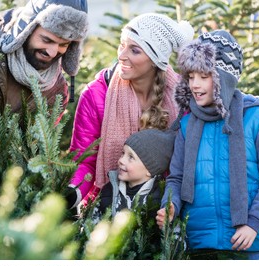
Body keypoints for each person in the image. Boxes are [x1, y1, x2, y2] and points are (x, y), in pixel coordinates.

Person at [156, 30, 259, 260]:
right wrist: (170, 205)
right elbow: (177, 178)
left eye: (204, 76)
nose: (195, 85)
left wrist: (253, 223)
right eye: (190, 76)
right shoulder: (186, 125)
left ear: (223, 78)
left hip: (248, 245)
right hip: (202, 246)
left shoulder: (257, 120)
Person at [66, 13, 194, 209]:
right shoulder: (97, 95)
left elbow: (186, 162)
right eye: (121, 45)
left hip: (162, 209)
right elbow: (84, 160)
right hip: (107, 207)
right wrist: (73, 191)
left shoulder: (182, 97)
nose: (122, 55)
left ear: (155, 59)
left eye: (134, 50)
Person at [91, 128, 176, 223]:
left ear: (149, 170)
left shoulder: (159, 201)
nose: (121, 160)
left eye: (131, 157)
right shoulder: (109, 191)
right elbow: (91, 226)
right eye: (123, 153)